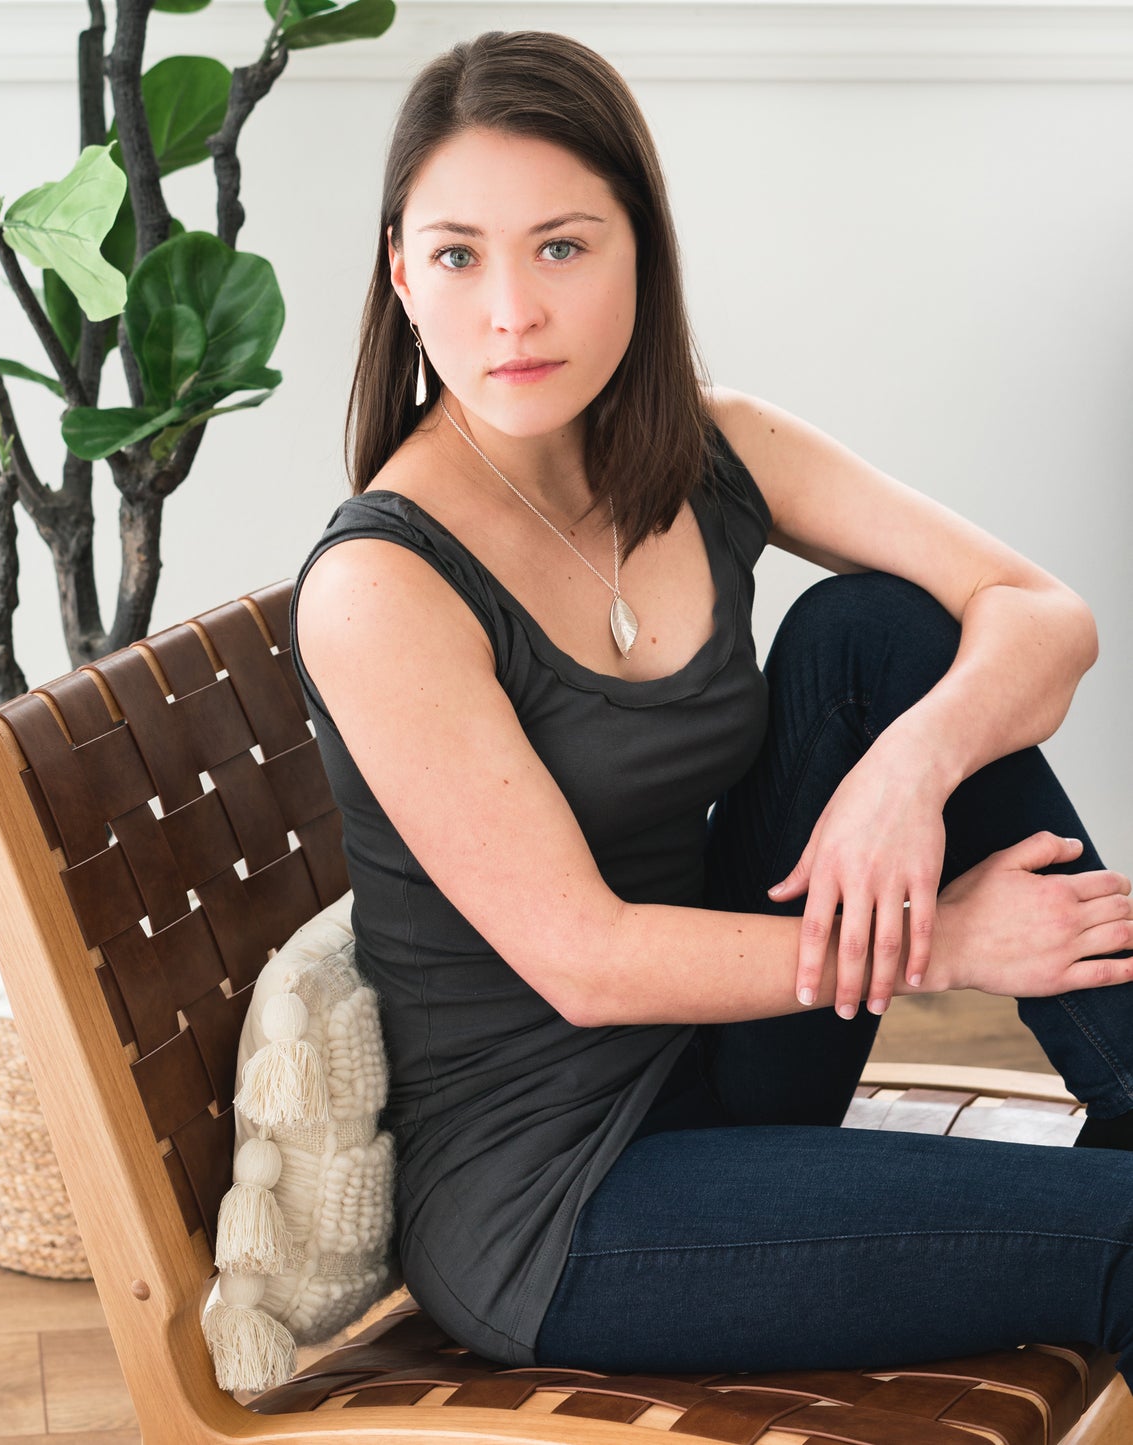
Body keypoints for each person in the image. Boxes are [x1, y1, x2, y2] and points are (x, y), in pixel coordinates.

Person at [289, 28, 1133, 1382]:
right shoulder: (381, 583)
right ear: (400, 273)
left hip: (728, 1059)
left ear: (640, 250)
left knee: (876, 633)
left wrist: (902, 772)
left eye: (560, 247)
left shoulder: (711, 447)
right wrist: (939, 945)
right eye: (457, 255)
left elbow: (1044, 615)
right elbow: (584, 958)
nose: (509, 309)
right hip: (559, 1197)